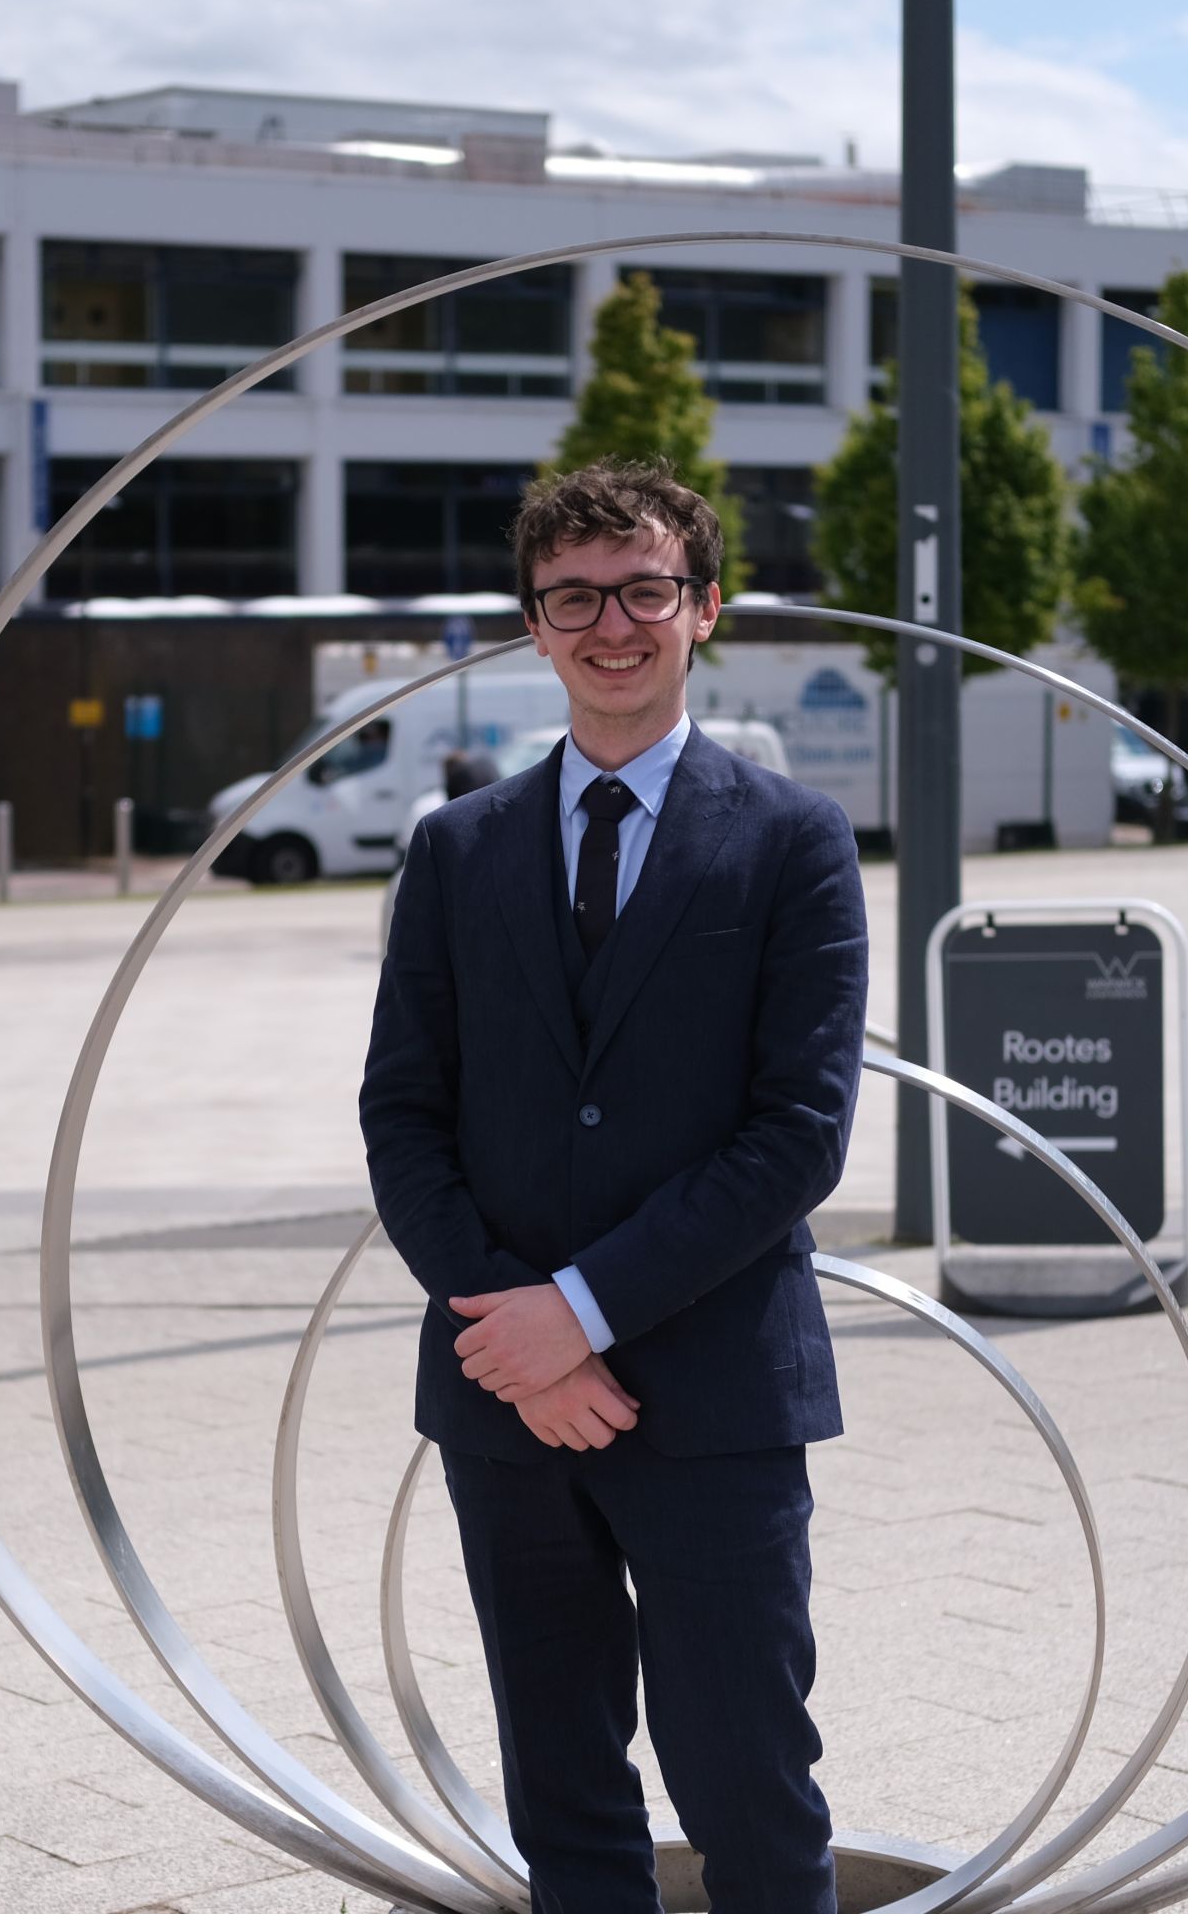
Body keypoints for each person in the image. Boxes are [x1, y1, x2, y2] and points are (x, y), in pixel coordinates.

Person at [360, 458, 867, 1913]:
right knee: (565, 1808)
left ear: (705, 609)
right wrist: (511, 1344)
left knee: (749, 1793)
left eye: (647, 589)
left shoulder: (795, 842)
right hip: (503, 1409)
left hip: (709, 1398)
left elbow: (798, 1134)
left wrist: (576, 1314)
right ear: (534, 624)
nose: (613, 623)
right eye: (574, 596)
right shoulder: (455, 853)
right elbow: (404, 1117)